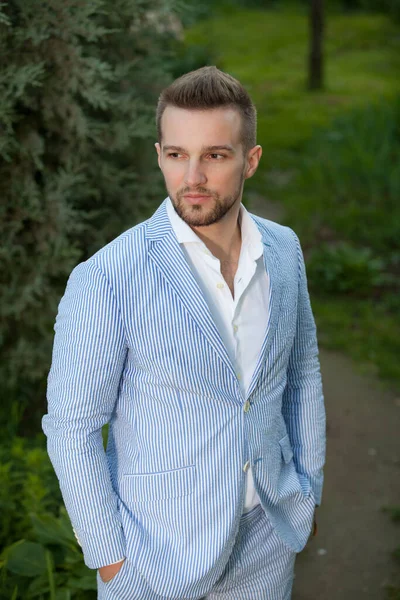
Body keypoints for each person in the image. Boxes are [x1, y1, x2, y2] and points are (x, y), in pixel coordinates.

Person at [42, 66, 326, 600]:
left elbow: (301, 369)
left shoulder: (284, 251)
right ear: (159, 155)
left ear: (251, 160)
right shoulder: (107, 277)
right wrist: (110, 559)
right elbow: (73, 427)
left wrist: (307, 491)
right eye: (176, 155)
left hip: (268, 543)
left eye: (215, 155)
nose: (192, 176)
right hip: (154, 562)